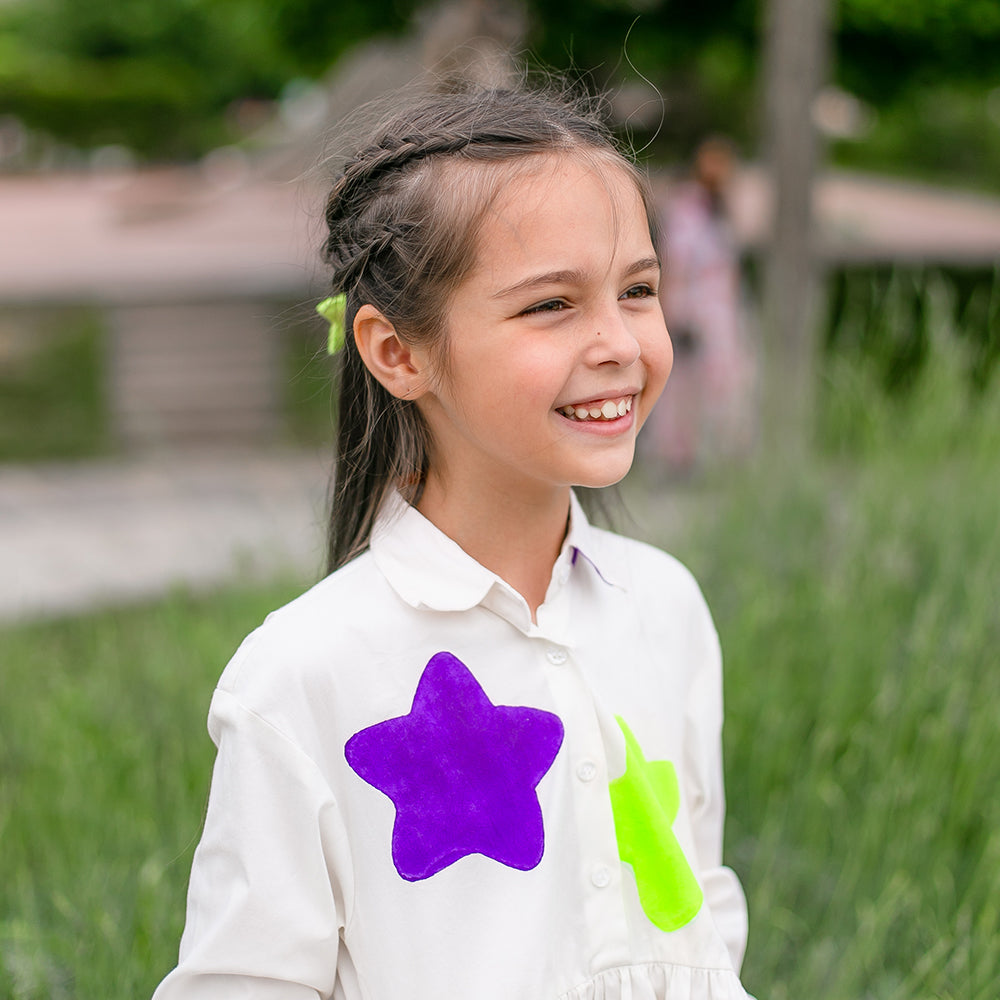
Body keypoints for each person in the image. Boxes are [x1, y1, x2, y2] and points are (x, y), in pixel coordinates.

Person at [152, 83, 750, 1000]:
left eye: (637, 289)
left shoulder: (665, 605)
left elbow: (699, 907)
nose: (620, 342)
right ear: (397, 352)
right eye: (551, 305)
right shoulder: (301, 674)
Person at [641, 137, 756, 475]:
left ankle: (715, 456)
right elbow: (674, 261)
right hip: (693, 311)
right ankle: (677, 457)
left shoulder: (718, 206)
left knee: (722, 384)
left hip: (720, 314)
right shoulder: (688, 206)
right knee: (683, 387)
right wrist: (669, 313)